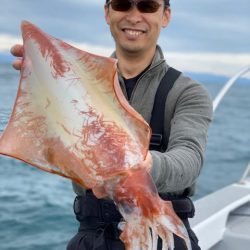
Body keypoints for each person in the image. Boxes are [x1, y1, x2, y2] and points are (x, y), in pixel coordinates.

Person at [11, 0, 213, 249]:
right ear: (108, 12)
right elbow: (56, 151)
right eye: (122, 4)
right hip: (92, 234)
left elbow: (190, 158)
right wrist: (40, 90)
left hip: (161, 234)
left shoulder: (188, 93)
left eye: (147, 6)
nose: (134, 16)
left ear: (165, 16)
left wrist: (145, 166)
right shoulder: (76, 85)